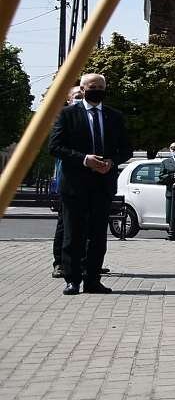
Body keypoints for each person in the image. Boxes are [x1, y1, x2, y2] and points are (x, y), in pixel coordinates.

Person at [47, 73, 131, 296]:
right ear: (83, 90)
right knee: (73, 234)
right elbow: (55, 146)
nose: (98, 90)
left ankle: (92, 280)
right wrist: (85, 160)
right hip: (75, 185)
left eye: (101, 87)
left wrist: (112, 161)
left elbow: (126, 149)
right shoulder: (67, 115)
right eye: (93, 87)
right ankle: (72, 279)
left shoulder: (114, 116)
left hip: (102, 185)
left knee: (97, 235)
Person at [50, 84, 83, 278]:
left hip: (88, 179)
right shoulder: (64, 117)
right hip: (68, 179)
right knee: (65, 223)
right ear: (69, 99)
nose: (81, 98)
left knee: (86, 224)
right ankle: (60, 263)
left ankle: (85, 262)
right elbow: (56, 147)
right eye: (77, 95)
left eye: (82, 95)